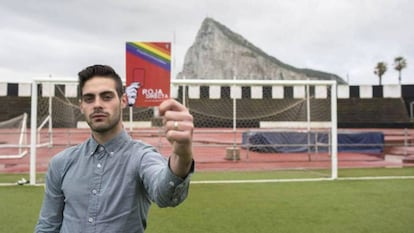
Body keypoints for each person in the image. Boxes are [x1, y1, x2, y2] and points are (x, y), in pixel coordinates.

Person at [35, 64, 194, 233]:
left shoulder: (141, 157)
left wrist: (182, 154)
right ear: (81, 105)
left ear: (123, 101)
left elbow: (166, 194)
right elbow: (48, 226)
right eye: (89, 98)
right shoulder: (61, 163)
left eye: (106, 97)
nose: (97, 105)